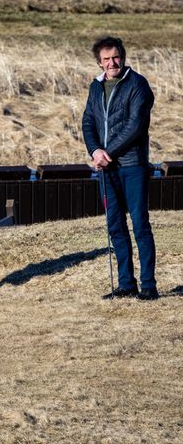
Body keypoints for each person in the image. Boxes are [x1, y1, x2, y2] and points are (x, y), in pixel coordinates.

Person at [82, 36, 158, 300]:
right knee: (115, 226)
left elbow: (136, 126)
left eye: (115, 57)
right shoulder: (95, 87)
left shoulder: (138, 85)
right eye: (106, 59)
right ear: (100, 62)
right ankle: (126, 283)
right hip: (106, 169)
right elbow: (88, 122)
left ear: (123, 57)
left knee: (140, 225)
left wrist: (108, 153)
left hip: (132, 165)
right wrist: (95, 151)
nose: (111, 62)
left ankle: (148, 285)